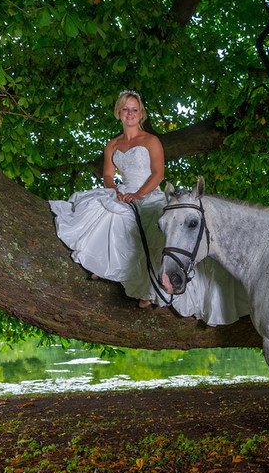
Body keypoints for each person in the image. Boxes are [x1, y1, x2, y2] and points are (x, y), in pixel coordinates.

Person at [49, 90, 249, 326]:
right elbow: (108, 176)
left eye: (134, 109)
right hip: (123, 193)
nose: (130, 114)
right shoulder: (112, 144)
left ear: (141, 113)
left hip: (148, 192)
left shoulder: (151, 141)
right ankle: (103, 266)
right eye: (125, 109)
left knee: (157, 229)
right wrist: (117, 192)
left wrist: (138, 194)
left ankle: (155, 291)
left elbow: (158, 174)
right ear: (118, 113)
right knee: (104, 212)